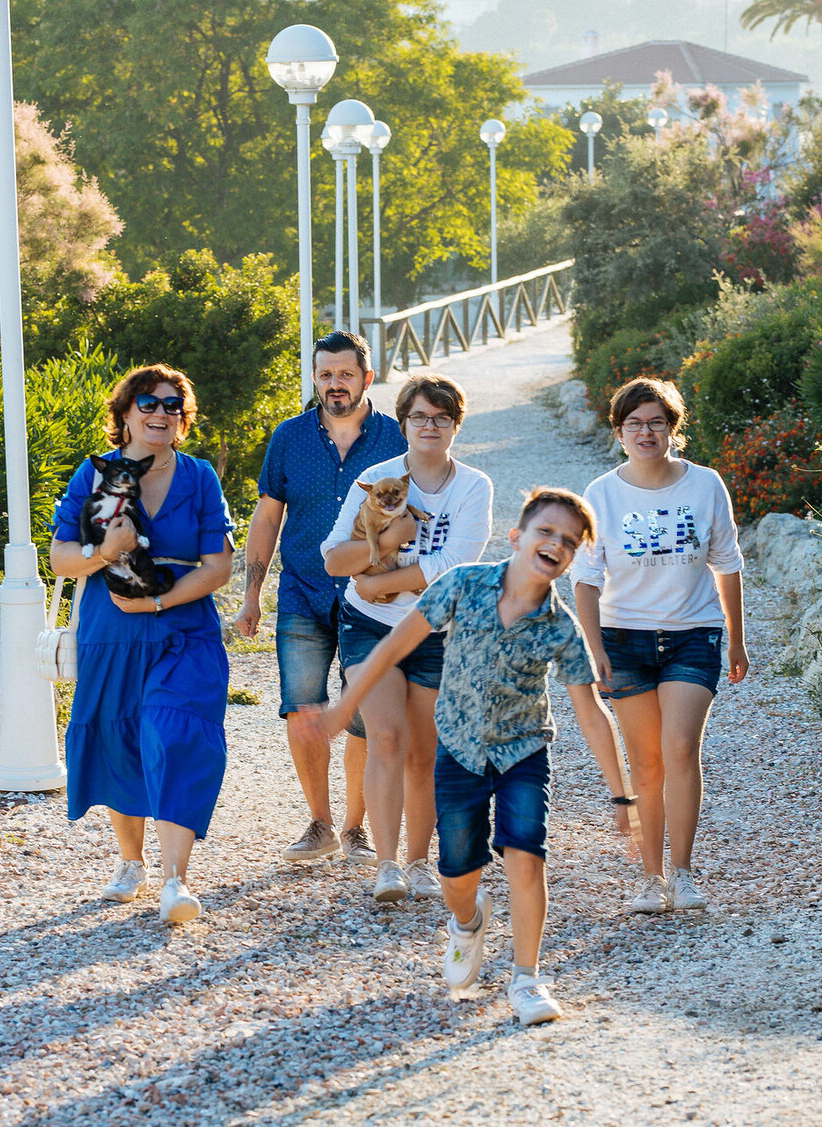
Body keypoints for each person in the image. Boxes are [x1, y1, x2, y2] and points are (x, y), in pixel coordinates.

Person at [294, 489, 631, 1026]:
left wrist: (622, 793)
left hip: (523, 751)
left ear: (571, 560)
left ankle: (527, 978)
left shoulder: (560, 626)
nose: (555, 544)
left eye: (568, 542)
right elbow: (392, 647)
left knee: (526, 855)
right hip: (459, 750)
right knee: (457, 873)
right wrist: (341, 711)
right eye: (546, 531)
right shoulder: (463, 585)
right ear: (518, 537)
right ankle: (468, 922)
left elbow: (590, 712)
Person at [49, 365, 236, 925]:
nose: (160, 414)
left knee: (176, 732)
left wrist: (158, 602)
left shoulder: (200, 476)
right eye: (148, 404)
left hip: (183, 627)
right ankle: (132, 863)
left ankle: (176, 879)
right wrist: (106, 553)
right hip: (112, 629)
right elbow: (61, 559)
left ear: (183, 418)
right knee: (120, 736)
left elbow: (220, 566)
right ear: (125, 414)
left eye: (172, 405)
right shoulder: (95, 474)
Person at [570, 376, 748, 915]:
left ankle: (684, 872)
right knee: (645, 763)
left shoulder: (705, 484)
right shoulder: (601, 494)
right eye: (634, 423)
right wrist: (593, 647)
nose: (646, 432)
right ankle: (651, 878)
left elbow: (728, 562)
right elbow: (584, 579)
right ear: (619, 431)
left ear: (673, 428)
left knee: (680, 748)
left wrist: (737, 641)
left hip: (693, 634)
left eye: (656, 422)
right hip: (624, 640)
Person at [320, 375, 492, 903]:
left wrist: (375, 580)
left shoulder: (473, 487)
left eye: (441, 417)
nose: (430, 426)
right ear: (403, 425)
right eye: (419, 417)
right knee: (387, 738)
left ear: (456, 425)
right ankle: (388, 865)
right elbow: (332, 558)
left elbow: (451, 567)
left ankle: (420, 862)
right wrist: (389, 541)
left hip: (437, 628)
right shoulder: (375, 479)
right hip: (368, 628)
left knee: (424, 752)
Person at [235, 331, 405, 865]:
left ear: (366, 379)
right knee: (302, 708)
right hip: (303, 592)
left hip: (372, 597)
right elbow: (268, 516)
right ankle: (320, 823)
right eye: (326, 374)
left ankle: (356, 826)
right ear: (315, 378)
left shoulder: (396, 439)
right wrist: (251, 593)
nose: (335, 384)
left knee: (362, 714)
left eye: (345, 374)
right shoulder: (289, 437)